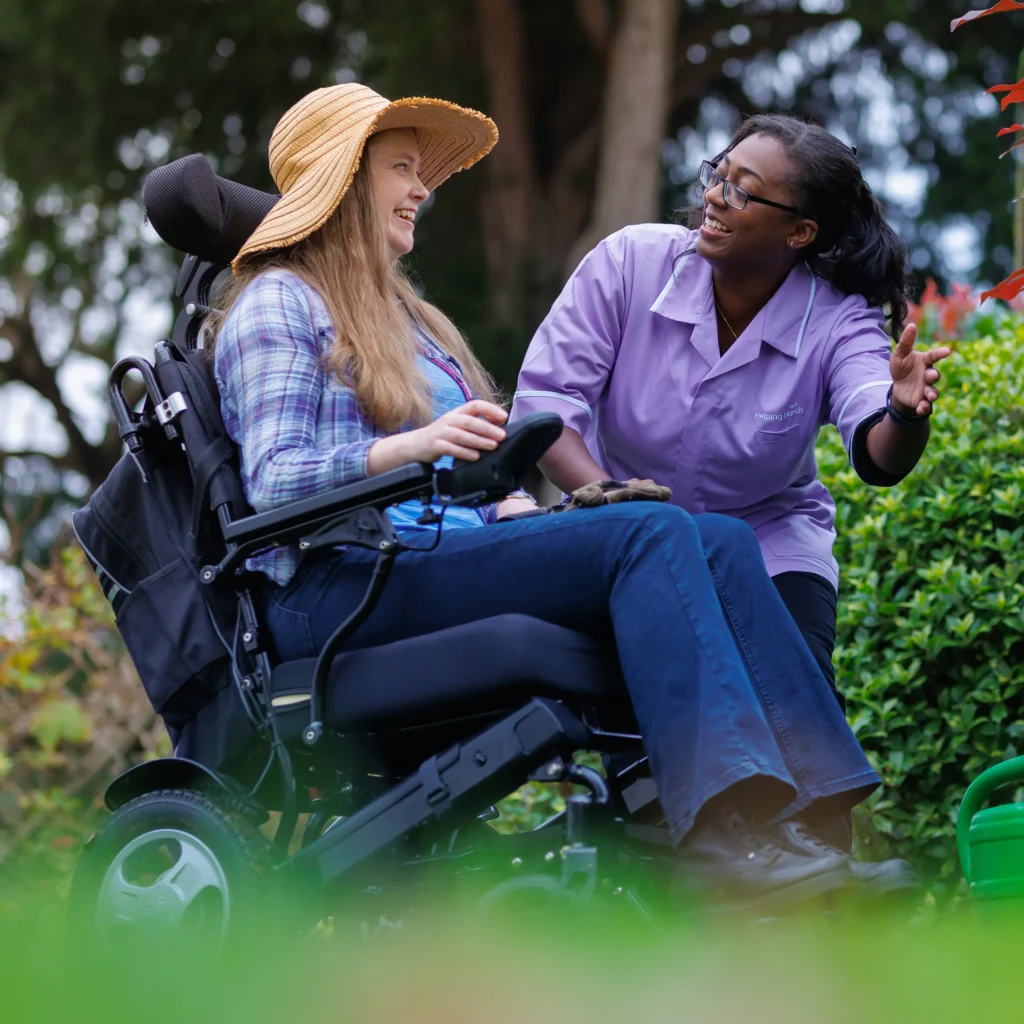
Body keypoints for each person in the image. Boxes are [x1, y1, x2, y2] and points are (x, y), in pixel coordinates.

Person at [211, 84, 910, 910]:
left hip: (421, 558)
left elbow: (466, 474)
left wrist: (506, 504)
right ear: (340, 183)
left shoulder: (410, 322)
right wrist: (414, 447)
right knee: (648, 531)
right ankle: (721, 839)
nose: (422, 187)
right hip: (341, 585)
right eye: (400, 168)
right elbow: (275, 480)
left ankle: (816, 818)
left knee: (717, 538)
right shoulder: (278, 302)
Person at [511, 114, 950, 704]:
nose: (715, 197)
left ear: (799, 232)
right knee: (642, 728)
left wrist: (904, 413)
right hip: (621, 528)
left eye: (742, 189)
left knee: (793, 711)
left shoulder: (839, 319)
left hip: (768, 545)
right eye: (718, 176)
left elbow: (878, 452)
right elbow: (547, 408)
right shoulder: (628, 264)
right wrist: (614, 502)